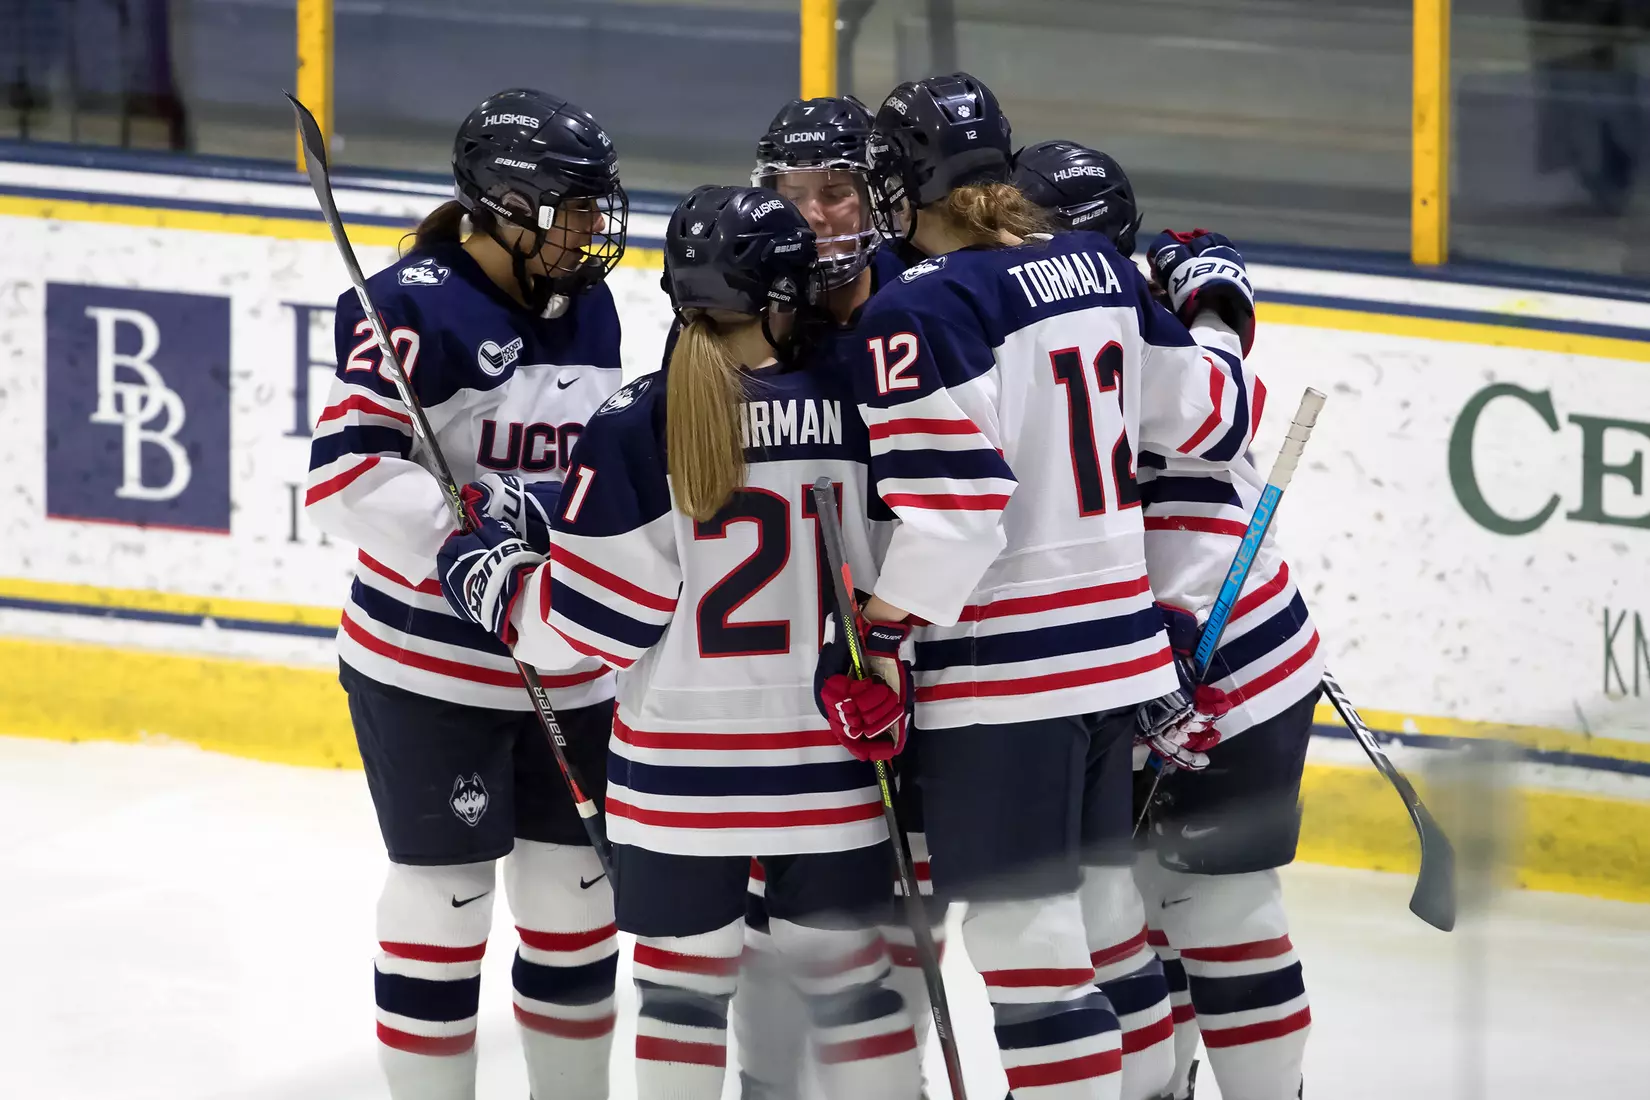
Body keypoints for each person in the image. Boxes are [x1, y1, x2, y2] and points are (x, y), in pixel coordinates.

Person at [817, 73, 1261, 1100]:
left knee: (1029, 949)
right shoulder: (1097, 267)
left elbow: (956, 519)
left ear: (903, 184)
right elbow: (1213, 418)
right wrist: (1214, 312)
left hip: (1004, 678)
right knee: (1103, 928)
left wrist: (876, 634)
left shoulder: (916, 308)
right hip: (1117, 663)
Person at [438, 185, 922, 1100]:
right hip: (829, 765)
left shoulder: (636, 422)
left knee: (681, 1001)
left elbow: (586, 628)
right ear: (787, 295)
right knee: (851, 994)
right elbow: (917, 562)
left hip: (677, 778)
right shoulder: (864, 403)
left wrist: (492, 578)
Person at [302, 87, 629, 1100]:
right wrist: (463, 540)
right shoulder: (411, 305)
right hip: (427, 667)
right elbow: (347, 476)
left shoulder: (590, 302)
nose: (593, 226)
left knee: (577, 900)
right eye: (576, 205)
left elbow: (585, 470)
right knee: (446, 901)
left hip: (565, 657)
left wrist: (545, 515)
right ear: (510, 205)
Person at [1017, 140, 1319, 1100]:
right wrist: (1218, 309)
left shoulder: (1121, 331)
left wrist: (1212, 316)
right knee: (1135, 912)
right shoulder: (1106, 320)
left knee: (1213, 904)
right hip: (1126, 655)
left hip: (1230, 664)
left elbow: (1217, 421)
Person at [736, 93, 944, 1100]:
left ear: (878, 194)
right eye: (794, 192)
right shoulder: (751, 312)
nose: (814, 214)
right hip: (789, 683)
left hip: (925, 666)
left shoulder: (930, 310)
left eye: (837, 190)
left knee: (904, 928)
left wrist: (892, 638)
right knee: (770, 928)